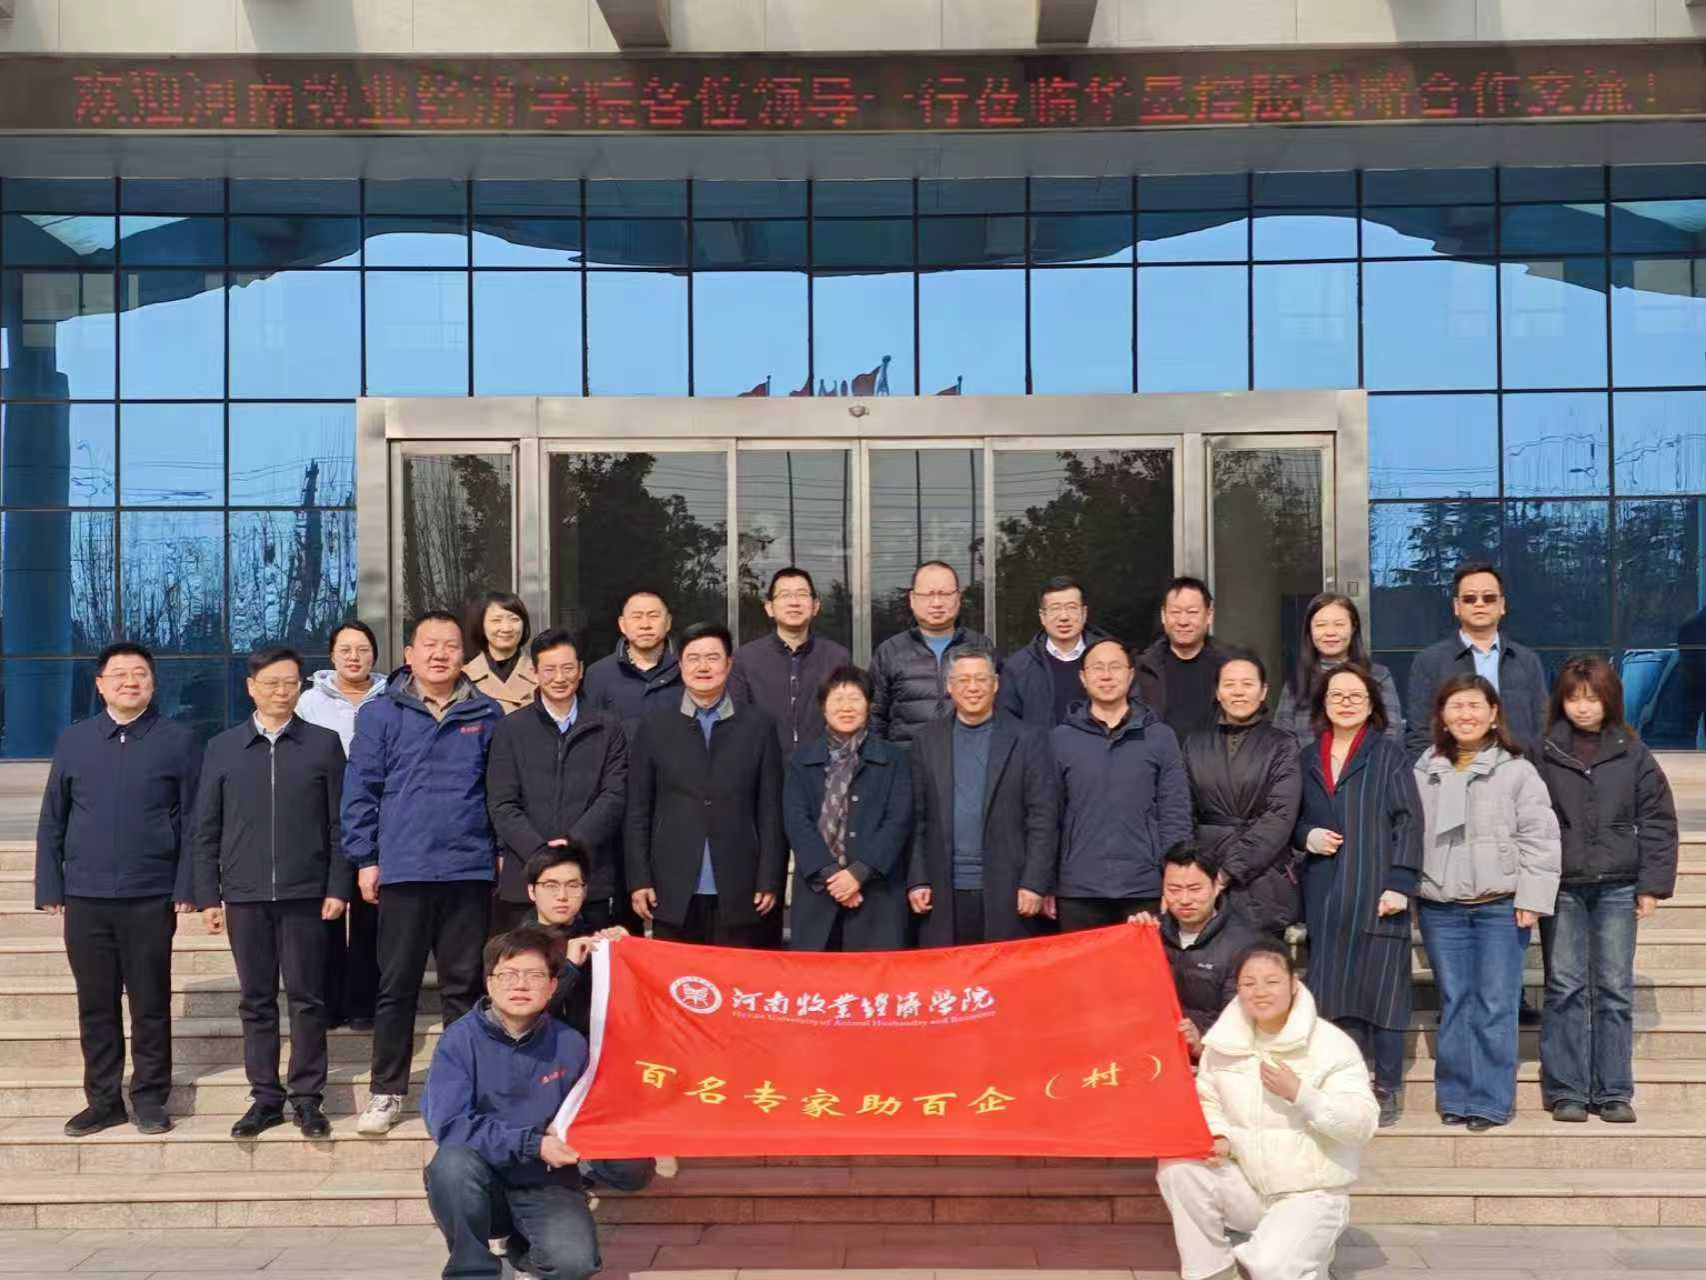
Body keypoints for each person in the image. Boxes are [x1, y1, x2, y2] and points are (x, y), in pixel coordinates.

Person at [344, 610, 504, 1136]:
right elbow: (361, 790)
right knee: (397, 985)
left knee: (464, 986)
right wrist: (366, 858)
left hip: (467, 868)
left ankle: (461, 1090)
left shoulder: (487, 712)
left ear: (464, 656)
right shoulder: (380, 713)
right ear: (409, 654)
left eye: (451, 645)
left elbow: (498, 791)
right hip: (404, 867)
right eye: (429, 645)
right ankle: (387, 1090)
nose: (440, 654)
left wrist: (499, 851)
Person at [35, 641, 201, 1138]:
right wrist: (51, 884)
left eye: (140, 674)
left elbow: (194, 821)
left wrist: (188, 884)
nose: (131, 682)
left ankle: (149, 1097)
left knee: (150, 1003)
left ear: (153, 682)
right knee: (95, 1004)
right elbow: (53, 817)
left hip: (150, 894)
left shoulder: (178, 741)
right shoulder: (75, 740)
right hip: (85, 896)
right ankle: (103, 1101)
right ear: (100, 684)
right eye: (120, 674)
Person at [191, 645, 350, 1140]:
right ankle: (264, 1097)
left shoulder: (323, 744)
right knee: (256, 999)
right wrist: (208, 896)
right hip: (245, 894)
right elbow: (205, 828)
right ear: (251, 687)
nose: (282, 692)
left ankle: (307, 1098)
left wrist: (338, 886)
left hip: (307, 893)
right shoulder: (222, 748)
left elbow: (340, 825)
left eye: (291, 683)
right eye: (272, 683)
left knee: (307, 998)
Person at [1157, 942, 1377, 1280]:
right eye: (1249, 983)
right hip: (1249, 1189)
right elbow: (1207, 1098)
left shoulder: (1330, 1045)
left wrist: (1302, 1095)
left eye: (1272, 981)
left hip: (1310, 1193)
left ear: (1293, 984)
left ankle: (1300, 1251)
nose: (1260, 992)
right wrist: (1219, 1133)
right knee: (1178, 1167)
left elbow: (1361, 1124)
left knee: (1269, 1267)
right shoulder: (1223, 1043)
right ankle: (1214, 1271)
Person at [1533, 656, 1678, 1124]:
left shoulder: (1632, 752)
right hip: (1562, 885)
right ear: (1561, 701)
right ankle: (1567, 1090)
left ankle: (1614, 1090)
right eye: (1574, 698)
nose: (1583, 707)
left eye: (1592, 698)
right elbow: (1526, 820)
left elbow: (1658, 820)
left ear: (1609, 700)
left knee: (1614, 987)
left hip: (1618, 885)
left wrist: (1651, 886)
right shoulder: (1543, 751)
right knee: (1564, 986)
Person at [1414, 674, 1561, 1131]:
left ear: (1493, 713)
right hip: (1441, 906)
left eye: (1475, 705)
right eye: (1456, 706)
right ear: (1442, 715)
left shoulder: (1517, 771)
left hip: (1499, 905)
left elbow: (1540, 838)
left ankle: (1490, 1101)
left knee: (1495, 1002)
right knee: (1455, 999)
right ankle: (1455, 1095)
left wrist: (1532, 897)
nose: (1466, 714)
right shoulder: (1424, 771)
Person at [421, 926, 601, 1280]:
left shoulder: (571, 1044)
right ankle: (472, 1269)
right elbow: (449, 1123)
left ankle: (524, 1247)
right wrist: (533, 1144)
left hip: (544, 1179)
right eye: (508, 974)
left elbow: (590, 1113)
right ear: (490, 983)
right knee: (450, 1164)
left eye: (534, 975)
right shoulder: (459, 1040)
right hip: (483, 1175)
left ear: (553, 985)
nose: (520, 985)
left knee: (575, 1265)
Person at [1293, 664, 1424, 1127]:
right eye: (1336, 695)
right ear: (1323, 704)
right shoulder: (1306, 756)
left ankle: (1386, 1086)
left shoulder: (1388, 755)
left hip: (1377, 890)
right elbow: (1294, 818)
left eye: (1356, 695)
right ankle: (1342, 1084)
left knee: (1384, 993)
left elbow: (1409, 820)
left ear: (1371, 705)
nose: (1345, 702)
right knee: (1331, 993)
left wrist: (1401, 882)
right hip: (1326, 893)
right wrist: (1307, 836)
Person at [625, 622, 786, 947]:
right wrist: (639, 879)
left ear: (728, 664)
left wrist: (769, 877)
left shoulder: (758, 726)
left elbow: (771, 810)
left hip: (741, 883)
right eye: (693, 658)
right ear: (680, 665)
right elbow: (638, 809)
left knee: (734, 975)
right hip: (672, 883)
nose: (703, 667)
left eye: (713, 658)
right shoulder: (655, 726)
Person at [907, 644, 1058, 946]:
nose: (973, 688)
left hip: (1011, 889)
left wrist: (1034, 882)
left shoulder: (1027, 738)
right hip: (942, 890)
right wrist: (917, 878)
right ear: (949, 686)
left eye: (981, 679)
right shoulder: (927, 740)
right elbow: (916, 819)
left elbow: (1043, 817)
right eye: (963, 680)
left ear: (996, 684)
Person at [486, 628, 628, 937]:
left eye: (567, 668)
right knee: (527, 962)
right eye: (549, 669)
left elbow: (614, 796)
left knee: (588, 962)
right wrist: (541, 853)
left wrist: (574, 844)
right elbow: (502, 803)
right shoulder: (510, 729)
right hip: (526, 878)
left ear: (580, 669)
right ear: (534, 672)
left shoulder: (607, 727)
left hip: (589, 878)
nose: (559, 678)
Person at [1053, 635, 1192, 929]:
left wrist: (1175, 879)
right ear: (1083, 677)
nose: (1106, 675)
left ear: (1130, 676)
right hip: (1078, 889)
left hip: (1143, 886)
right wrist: (1044, 883)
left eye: (1115, 667)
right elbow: (1048, 815)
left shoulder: (1159, 737)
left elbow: (1175, 812)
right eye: (1097, 668)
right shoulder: (1060, 739)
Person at [783, 665, 914, 952]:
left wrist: (858, 874)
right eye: (838, 699)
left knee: (874, 977)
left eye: (855, 698)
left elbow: (898, 822)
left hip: (876, 894)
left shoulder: (894, 760)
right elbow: (797, 822)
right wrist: (833, 877)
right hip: (818, 892)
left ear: (868, 705)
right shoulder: (800, 761)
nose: (846, 707)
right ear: (823, 706)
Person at [296, 619, 386, 1029]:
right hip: (323, 821)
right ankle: (329, 1004)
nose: (354, 657)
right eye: (346, 649)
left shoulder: (392, 698)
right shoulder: (309, 702)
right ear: (332, 655)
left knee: (371, 917)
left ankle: (364, 1005)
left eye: (363, 649)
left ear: (374, 655)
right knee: (328, 915)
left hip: (376, 821)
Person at [1182, 650, 1304, 936]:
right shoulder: (1194, 743)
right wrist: (1197, 869)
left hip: (1263, 877)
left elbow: (1280, 816)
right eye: (1229, 684)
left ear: (1263, 692)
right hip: (1205, 873)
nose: (1238, 692)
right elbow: (1182, 808)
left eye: (1247, 684)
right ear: (1218, 692)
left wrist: (1229, 870)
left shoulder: (1282, 745)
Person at [1403, 562, 1548, 759]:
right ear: (1457, 606)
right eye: (1470, 598)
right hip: (1452, 770)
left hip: (1516, 769)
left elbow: (1542, 726)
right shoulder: (1429, 662)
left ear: (1502, 605)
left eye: (1489, 598)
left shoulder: (1526, 661)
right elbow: (1419, 733)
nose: (1479, 604)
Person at [1131, 844, 1264, 1059]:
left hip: (1215, 1061)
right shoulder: (1152, 933)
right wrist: (1130, 942)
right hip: (1152, 1056)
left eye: (1194, 889)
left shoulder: (1246, 945)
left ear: (1217, 886)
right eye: (1174, 889)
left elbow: (1243, 1025)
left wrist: (1200, 1044)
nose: (1184, 900)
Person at [729, 566, 852, 755]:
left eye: (802, 594)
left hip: (822, 766)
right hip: (765, 766)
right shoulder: (744, 659)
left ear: (815, 606)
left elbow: (848, 718)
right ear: (769, 607)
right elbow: (737, 724)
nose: (794, 602)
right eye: (785, 595)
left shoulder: (838, 658)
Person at [869, 560, 994, 744]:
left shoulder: (980, 645)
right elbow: (875, 718)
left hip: (968, 755)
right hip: (906, 758)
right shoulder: (890, 651)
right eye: (928, 594)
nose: (936, 603)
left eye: (945, 594)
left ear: (958, 598)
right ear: (912, 599)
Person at [1274, 593, 1402, 748]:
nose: (1330, 632)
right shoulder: (1298, 680)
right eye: (1321, 625)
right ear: (1309, 630)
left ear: (1353, 627)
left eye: (1339, 624)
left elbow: (1391, 734)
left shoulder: (1377, 676)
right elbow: (1282, 739)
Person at [997, 575, 1106, 728]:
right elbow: (1008, 726)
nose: (1064, 617)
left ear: (1084, 613)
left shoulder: (1108, 659)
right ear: (1042, 617)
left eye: (1071, 607)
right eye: (1055, 608)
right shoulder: (1018, 667)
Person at [1136, 576, 1228, 742]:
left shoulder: (1228, 667)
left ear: (1209, 615)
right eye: (1175, 612)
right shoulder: (1143, 668)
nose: (1183, 621)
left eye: (1192, 612)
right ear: (1163, 615)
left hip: (1215, 757)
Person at [581, 590, 682, 730]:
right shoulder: (599, 674)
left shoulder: (686, 670)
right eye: (636, 617)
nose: (645, 625)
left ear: (668, 622)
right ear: (622, 624)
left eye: (653, 616)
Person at [462, 590, 538, 715]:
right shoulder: (464, 677)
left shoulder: (541, 673)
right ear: (481, 625)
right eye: (496, 620)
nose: (506, 628)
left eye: (514, 619)